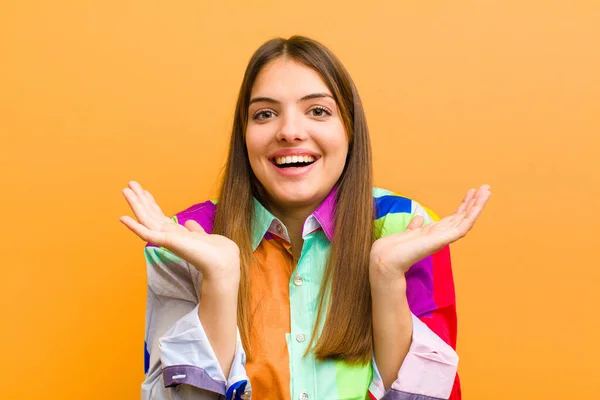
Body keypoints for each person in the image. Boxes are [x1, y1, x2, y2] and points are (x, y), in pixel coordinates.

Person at [120, 36, 491, 400]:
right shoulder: (189, 237)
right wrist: (218, 282)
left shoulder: (405, 226)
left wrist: (387, 279)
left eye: (318, 111)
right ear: (244, 135)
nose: (290, 132)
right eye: (265, 114)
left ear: (349, 128)